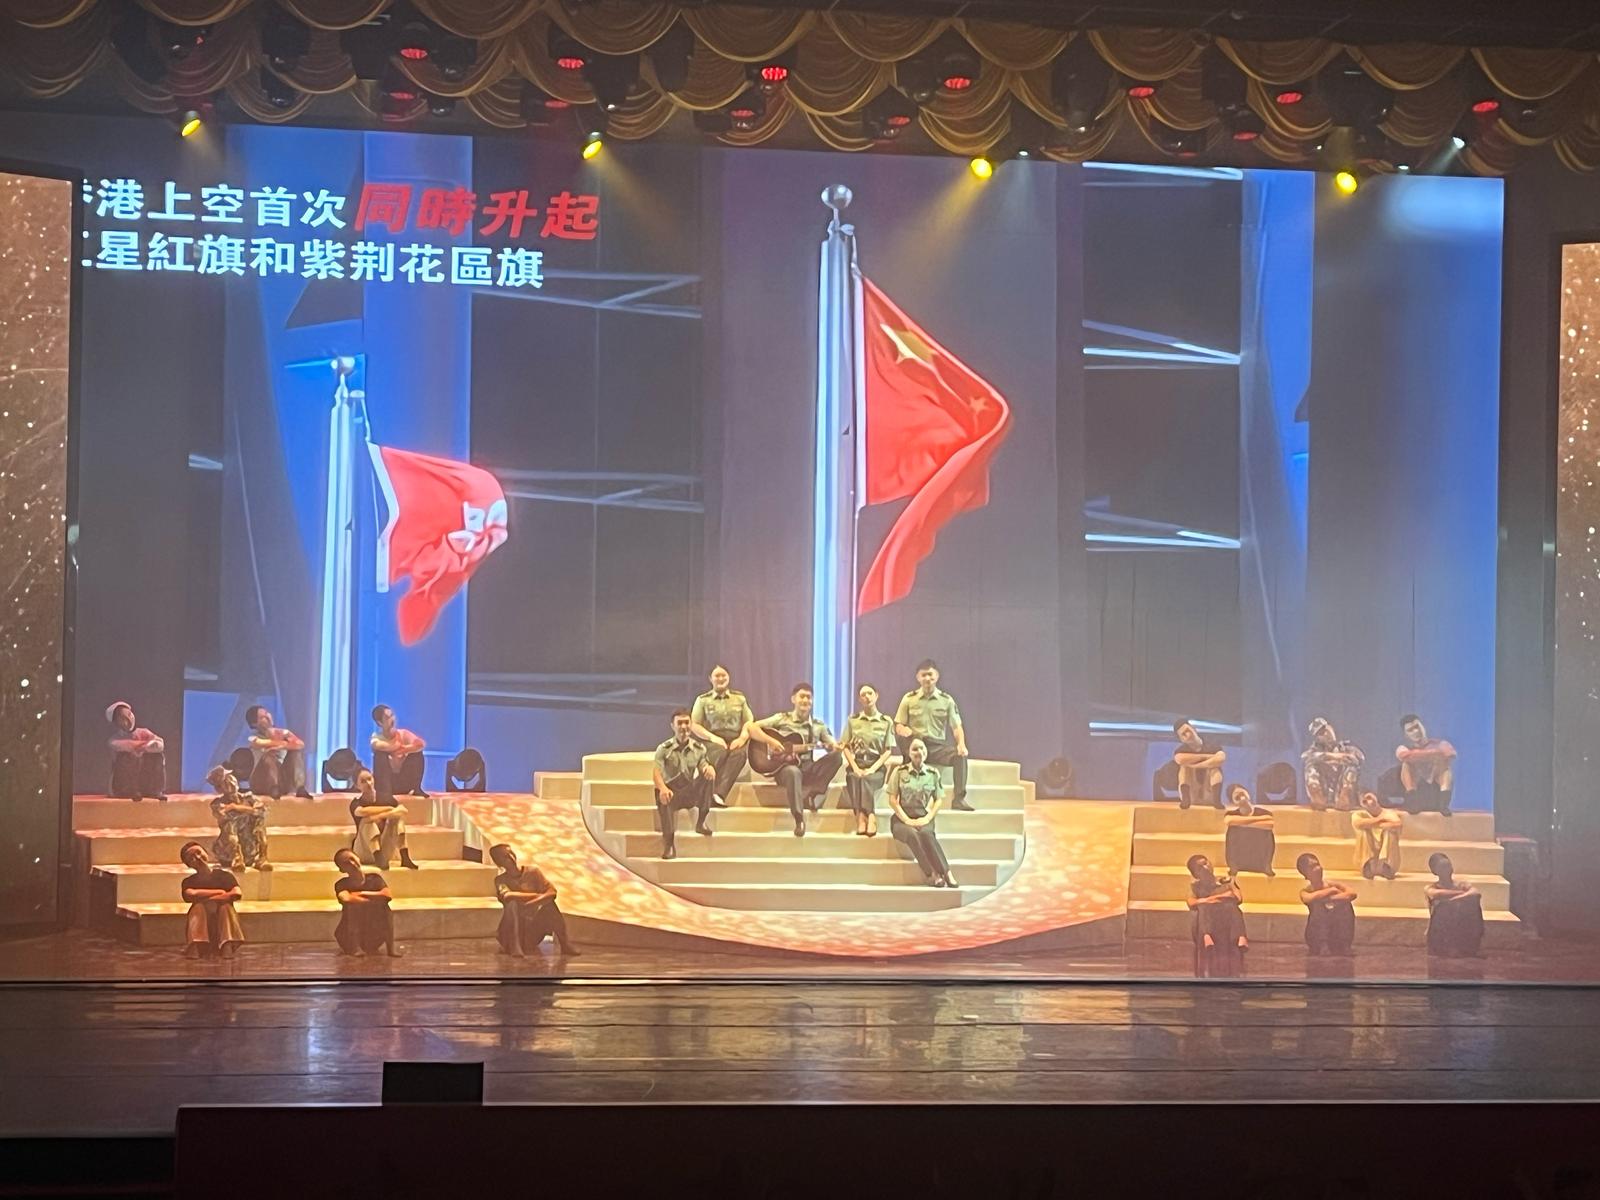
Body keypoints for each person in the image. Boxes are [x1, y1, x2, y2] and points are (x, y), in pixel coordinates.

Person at [747, 683, 843, 837]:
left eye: (809, 697)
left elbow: (832, 744)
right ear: (793, 699)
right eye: (802, 696)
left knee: (836, 757)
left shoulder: (818, 726)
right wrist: (772, 742)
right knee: (793, 771)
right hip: (785, 770)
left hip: (807, 768)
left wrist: (836, 746)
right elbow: (751, 728)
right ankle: (799, 818)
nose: (805, 700)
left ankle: (814, 793)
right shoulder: (782, 718)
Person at [893, 660, 973, 811]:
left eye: (930, 674)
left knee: (960, 756)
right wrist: (902, 729)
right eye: (923, 675)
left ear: (937, 676)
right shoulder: (909, 699)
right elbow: (898, 724)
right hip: (915, 744)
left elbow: (956, 727)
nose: (927, 678)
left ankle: (959, 799)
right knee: (909, 740)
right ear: (918, 677)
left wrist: (961, 744)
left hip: (936, 747)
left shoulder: (946, 700)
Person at [886, 737, 957, 888]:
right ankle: (932, 874)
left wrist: (928, 818)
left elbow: (938, 800)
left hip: (924, 815)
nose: (919, 752)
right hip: (902, 817)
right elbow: (892, 800)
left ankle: (947, 872)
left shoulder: (933, 773)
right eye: (915, 749)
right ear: (909, 753)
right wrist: (907, 820)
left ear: (926, 752)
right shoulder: (899, 772)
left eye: (922, 748)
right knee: (912, 834)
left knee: (926, 834)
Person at [488, 843, 580, 957]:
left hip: (531, 932)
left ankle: (565, 944)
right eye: (505, 856)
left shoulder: (533, 872)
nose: (511, 858)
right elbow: (507, 896)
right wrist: (538, 895)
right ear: (499, 862)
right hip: (510, 934)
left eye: (511, 853)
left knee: (549, 904)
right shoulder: (500, 880)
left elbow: (552, 892)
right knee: (512, 904)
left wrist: (531, 904)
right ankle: (514, 946)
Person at [653, 709, 716, 860]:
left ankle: (701, 822)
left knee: (709, 777)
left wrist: (708, 768)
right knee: (664, 796)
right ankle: (669, 844)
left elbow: (703, 764)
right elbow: (656, 772)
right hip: (671, 791)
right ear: (672, 726)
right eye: (679, 723)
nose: (683, 727)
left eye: (686, 723)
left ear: (691, 724)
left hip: (688, 790)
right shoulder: (664, 749)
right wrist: (662, 788)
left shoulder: (699, 748)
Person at [689, 665, 755, 810]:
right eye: (717, 676)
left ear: (728, 678)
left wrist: (742, 738)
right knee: (720, 751)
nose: (720, 679)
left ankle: (718, 794)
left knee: (740, 755)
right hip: (712, 740)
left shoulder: (739, 698)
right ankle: (697, 790)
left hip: (735, 739)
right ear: (710, 679)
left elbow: (749, 722)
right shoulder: (703, 700)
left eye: (723, 675)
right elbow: (694, 725)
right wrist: (713, 738)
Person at [842, 684, 895, 837]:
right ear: (859, 699)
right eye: (863, 695)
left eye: (870, 693)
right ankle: (863, 817)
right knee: (854, 777)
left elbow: (888, 751)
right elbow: (845, 747)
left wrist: (872, 769)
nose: (867, 697)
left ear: (876, 695)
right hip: (857, 762)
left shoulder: (886, 721)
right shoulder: (853, 720)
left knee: (865, 779)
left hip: (876, 765)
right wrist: (855, 767)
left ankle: (867, 816)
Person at [332, 848, 401, 958]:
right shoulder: (342, 884)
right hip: (348, 938)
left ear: (358, 858)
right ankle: (355, 948)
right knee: (353, 907)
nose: (352, 864)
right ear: (342, 869)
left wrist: (361, 893)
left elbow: (387, 895)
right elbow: (346, 899)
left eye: (352, 859)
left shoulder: (375, 878)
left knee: (385, 908)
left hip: (373, 935)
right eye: (346, 863)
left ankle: (391, 948)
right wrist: (375, 899)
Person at [179, 841, 243, 960]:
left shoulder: (225, 876)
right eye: (192, 858)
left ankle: (227, 944)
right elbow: (191, 894)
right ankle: (196, 945)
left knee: (226, 908)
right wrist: (220, 892)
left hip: (221, 921)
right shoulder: (189, 881)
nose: (198, 858)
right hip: (203, 923)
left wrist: (207, 899)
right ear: (189, 865)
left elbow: (236, 893)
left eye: (199, 853)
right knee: (197, 908)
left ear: (206, 853)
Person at [1185, 853, 1246, 976]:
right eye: (1200, 867)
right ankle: (1206, 935)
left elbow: (1238, 898)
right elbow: (1192, 903)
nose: (1205, 868)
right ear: (1195, 874)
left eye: (1206, 863)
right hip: (1208, 922)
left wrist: (1208, 899)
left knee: (1233, 906)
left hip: (1227, 919)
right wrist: (1219, 898)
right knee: (1204, 907)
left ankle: (1240, 936)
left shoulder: (1227, 881)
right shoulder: (1195, 887)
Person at [349, 768, 420, 871]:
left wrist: (381, 815)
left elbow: (403, 810)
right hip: (364, 851)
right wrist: (389, 809)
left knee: (397, 819)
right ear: (357, 786)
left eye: (369, 779)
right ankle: (377, 857)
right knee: (367, 821)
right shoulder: (356, 803)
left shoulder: (385, 797)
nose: (368, 783)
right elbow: (361, 812)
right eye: (363, 781)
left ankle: (405, 857)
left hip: (384, 848)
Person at [206, 765, 270, 872]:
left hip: (249, 846)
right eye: (225, 782)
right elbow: (225, 816)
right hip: (228, 852)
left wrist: (235, 807)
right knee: (230, 824)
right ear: (219, 788)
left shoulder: (249, 798)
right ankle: (237, 857)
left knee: (259, 821)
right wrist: (248, 810)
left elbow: (261, 811)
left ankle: (263, 857)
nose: (231, 783)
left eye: (231, 778)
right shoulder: (218, 804)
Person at [245, 705, 312, 800]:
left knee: (295, 753)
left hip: (282, 780)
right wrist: (284, 743)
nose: (268, 717)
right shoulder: (252, 738)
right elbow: (262, 743)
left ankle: (300, 787)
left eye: (267, 713)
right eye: (262, 717)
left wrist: (284, 746)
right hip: (262, 782)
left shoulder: (283, 733)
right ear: (255, 724)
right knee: (269, 756)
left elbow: (300, 744)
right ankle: (274, 787)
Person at [1296, 852, 1357, 956]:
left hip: (1336, 934)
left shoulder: (1333, 885)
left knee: (1345, 905)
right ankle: (1322, 945)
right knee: (1318, 906)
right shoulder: (1306, 891)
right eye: (1312, 867)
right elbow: (1308, 898)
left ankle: (1344, 945)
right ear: (1305, 874)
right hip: (1317, 937)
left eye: (1317, 865)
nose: (1318, 869)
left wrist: (1329, 898)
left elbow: (1352, 894)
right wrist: (1331, 892)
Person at [1425, 852, 1484, 958]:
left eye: (1448, 866)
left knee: (1473, 904)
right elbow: (1436, 894)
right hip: (1441, 932)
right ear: (1435, 871)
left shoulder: (1461, 885)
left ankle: (1467, 944)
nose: (1447, 870)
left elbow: (1476, 893)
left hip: (1461, 927)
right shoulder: (1431, 887)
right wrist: (1462, 895)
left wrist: (1454, 899)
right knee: (1444, 907)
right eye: (1443, 867)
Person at [105, 701, 166, 802]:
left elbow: (159, 745)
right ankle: (129, 790)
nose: (128, 719)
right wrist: (145, 745)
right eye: (122, 718)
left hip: (144, 782)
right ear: (116, 722)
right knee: (126, 756)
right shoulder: (114, 739)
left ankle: (154, 790)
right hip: (123, 786)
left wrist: (145, 746)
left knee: (156, 756)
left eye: (129, 715)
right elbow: (125, 746)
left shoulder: (144, 732)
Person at [1396, 714, 1457, 815]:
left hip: (1437, 790)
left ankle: (1443, 804)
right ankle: (1412, 801)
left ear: (1423, 726)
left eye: (1417, 727)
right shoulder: (1404, 748)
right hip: (1416, 792)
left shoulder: (1440, 743)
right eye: (1410, 730)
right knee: (1406, 765)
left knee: (1445, 767)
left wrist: (1417, 755)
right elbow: (1404, 756)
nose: (1416, 731)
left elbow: (1450, 754)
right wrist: (1435, 753)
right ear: (1406, 735)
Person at [1301, 716, 1363, 811]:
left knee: (1352, 766)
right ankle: (1317, 795)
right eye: (1320, 734)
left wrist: (1340, 759)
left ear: (1331, 727)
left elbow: (1359, 757)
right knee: (1310, 765)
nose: (1325, 734)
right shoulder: (1315, 750)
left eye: (1325, 729)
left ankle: (1345, 796)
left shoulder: (1347, 748)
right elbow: (1305, 757)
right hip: (1325, 793)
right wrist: (1333, 757)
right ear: (1317, 738)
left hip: (1342, 792)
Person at [369, 704, 427, 804]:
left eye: (392, 715)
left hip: (404, 780)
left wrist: (405, 749)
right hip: (388, 783)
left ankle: (417, 788)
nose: (392, 720)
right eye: (387, 718)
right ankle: (385, 794)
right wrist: (400, 746)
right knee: (380, 755)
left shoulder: (403, 733)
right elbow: (384, 746)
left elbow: (421, 744)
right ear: (379, 723)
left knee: (417, 754)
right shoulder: (376, 737)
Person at [1172, 719, 1227, 809]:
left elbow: (1221, 758)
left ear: (1194, 729)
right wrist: (1209, 758)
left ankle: (1217, 800)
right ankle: (1186, 799)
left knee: (1215, 768)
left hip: (1208, 793)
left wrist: (1196, 765)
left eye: (1188, 730)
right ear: (1182, 739)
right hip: (1192, 794)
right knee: (1184, 767)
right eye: (1184, 734)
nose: (1188, 735)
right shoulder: (1181, 750)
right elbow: (1180, 759)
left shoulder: (1212, 745)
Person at [1222, 784, 1275, 876]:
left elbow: (1269, 824)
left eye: (1242, 794)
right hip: (1241, 851)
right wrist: (1258, 820)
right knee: (1232, 830)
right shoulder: (1231, 813)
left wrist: (1241, 823)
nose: (1241, 798)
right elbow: (1229, 821)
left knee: (1267, 833)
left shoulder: (1263, 812)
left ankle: (1266, 865)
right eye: (1237, 796)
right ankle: (1234, 865)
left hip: (1258, 851)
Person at [1351, 790, 1403, 879]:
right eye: (1364, 801)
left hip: (1384, 846)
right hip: (1369, 847)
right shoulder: (1358, 814)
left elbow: (1397, 824)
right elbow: (1358, 824)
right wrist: (1381, 819)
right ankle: (1367, 865)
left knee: (1390, 832)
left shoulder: (1389, 813)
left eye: (1369, 798)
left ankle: (1386, 866)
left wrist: (1371, 823)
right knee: (1364, 832)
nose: (1368, 802)